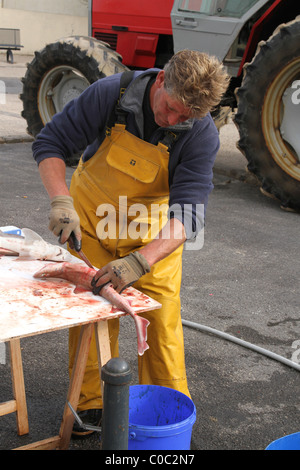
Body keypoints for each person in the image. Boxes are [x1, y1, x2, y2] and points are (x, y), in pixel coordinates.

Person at [32, 49, 229, 437]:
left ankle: (166, 417)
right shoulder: (110, 94)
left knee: (161, 323)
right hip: (93, 224)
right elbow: (50, 142)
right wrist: (61, 200)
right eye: (171, 107)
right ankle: (89, 408)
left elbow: (188, 214)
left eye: (184, 117)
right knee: (92, 315)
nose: (173, 120)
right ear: (160, 81)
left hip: (153, 239)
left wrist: (141, 261)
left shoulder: (201, 134)